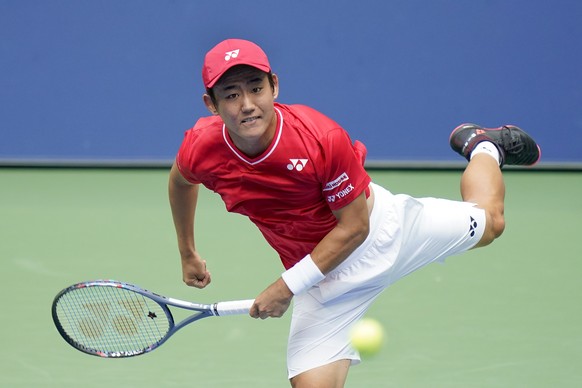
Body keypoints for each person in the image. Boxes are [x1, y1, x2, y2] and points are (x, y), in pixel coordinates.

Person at [168, 38, 540, 387]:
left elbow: (355, 227)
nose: (247, 104)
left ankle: (485, 147)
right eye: (231, 95)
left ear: (274, 86)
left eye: (256, 88)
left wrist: (285, 288)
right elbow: (181, 181)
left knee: (492, 222)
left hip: (386, 233)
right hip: (321, 276)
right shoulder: (201, 147)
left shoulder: (320, 138)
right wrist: (187, 252)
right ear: (211, 105)